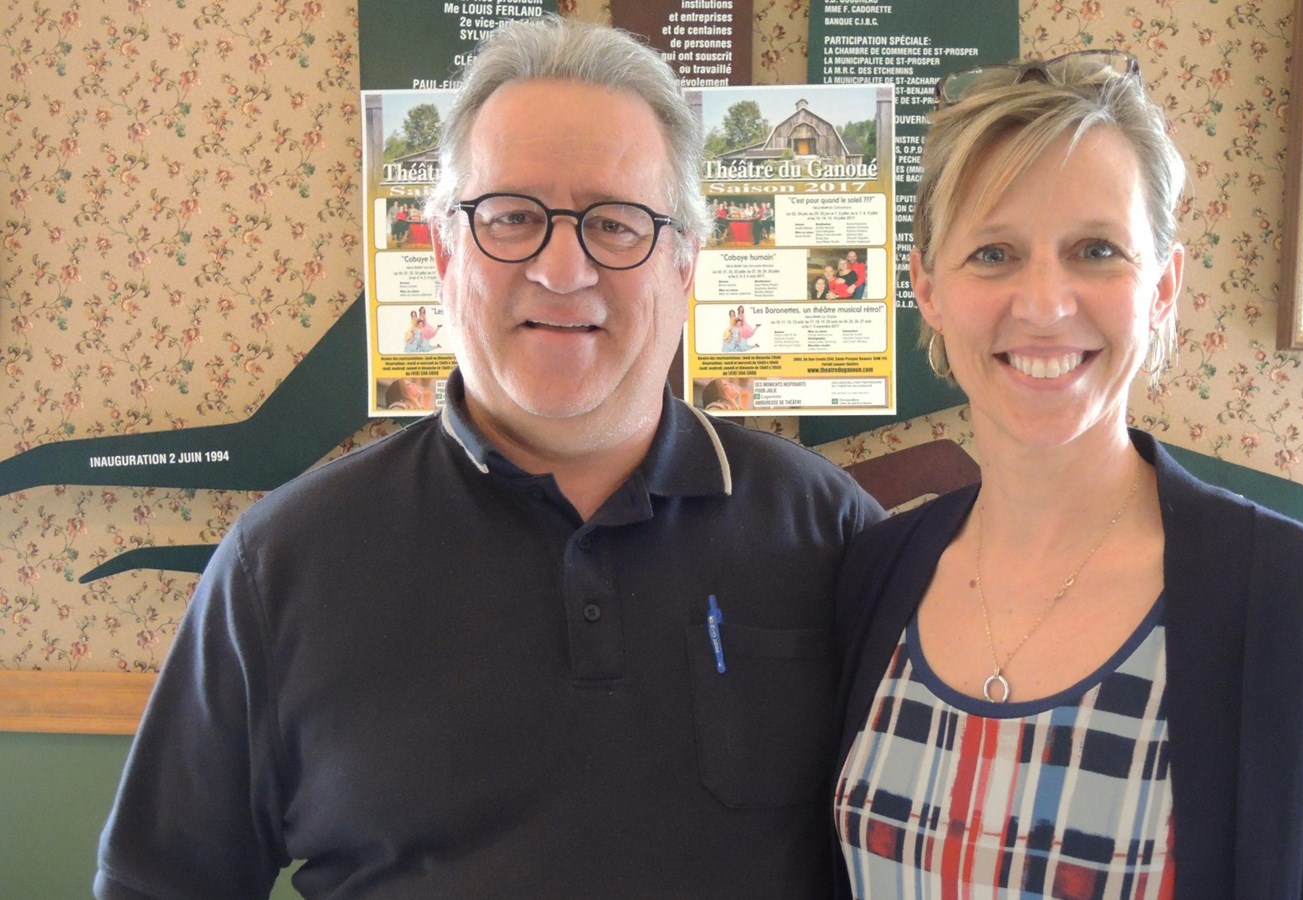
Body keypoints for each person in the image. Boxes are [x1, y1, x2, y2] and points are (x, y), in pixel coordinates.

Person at [96, 18, 884, 899]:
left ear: (684, 263)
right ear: (442, 252)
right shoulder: (279, 563)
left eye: (615, 223)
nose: (561, 269)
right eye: (511, 217)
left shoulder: (833, 532)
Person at [832, 50, 1303, 897]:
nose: (1045, 304)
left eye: (1096, 250)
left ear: (1163, 287)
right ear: (928, 287)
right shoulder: (872, 577)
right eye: (993, 253)